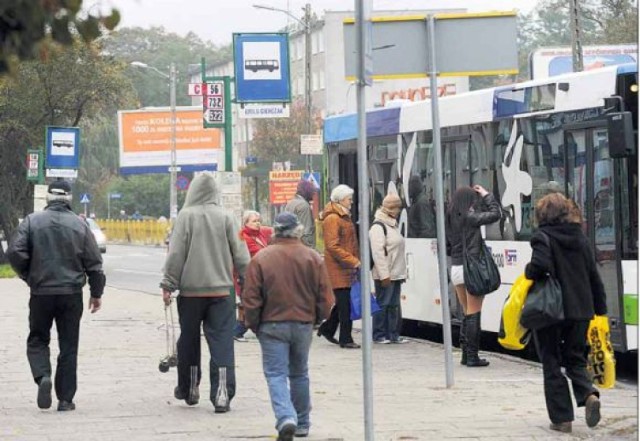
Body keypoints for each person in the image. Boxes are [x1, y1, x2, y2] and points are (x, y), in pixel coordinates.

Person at [7, 180, 105, 412]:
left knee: (38, 338)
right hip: (71, 294)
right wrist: (96, 293)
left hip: (41, 292)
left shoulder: (32, 221)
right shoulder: (80, 226)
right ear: (70, 199)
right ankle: (65, 399)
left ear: (48, 198)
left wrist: (29, 275)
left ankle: (43, 377)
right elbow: (94, 263)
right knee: (69, 345)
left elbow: (15, 251)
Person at [160, 172, 250, 413]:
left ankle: (190, 388)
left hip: (190, 294)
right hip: (222, 293)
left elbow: (176, 254)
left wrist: (168, 284)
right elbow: (241, 254)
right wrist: (247, 281)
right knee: (222, 342)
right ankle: (222, 395)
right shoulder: (228, 218)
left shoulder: (185, 217)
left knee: (189, 340)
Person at [243, 212, 331, 440]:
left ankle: (285, 417)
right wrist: (318, 318)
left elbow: (251, 298)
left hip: (271, 325)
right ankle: (302, 423)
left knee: (275, 374)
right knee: (300, 373)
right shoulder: (313, 257)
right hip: (303, 324)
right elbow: (326, 297)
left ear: (275, 231)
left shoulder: (261, 259)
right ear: (298, 230)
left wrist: (253, 324)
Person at [525, 192, 607, 433]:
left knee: (551, 362)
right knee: (575, 359)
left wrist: (529, 271)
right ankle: (589, 394)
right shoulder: (580, 237)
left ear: (542, 215)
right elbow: (594, 276)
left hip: (551, 311)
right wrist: (599, 310)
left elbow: (539, 266)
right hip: (581, 310)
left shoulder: (542, 237)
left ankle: (562, 419)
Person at [446, 184, 501, 367]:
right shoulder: (469, 217)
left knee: (466, 312)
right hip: (471, 269)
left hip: (456, 269)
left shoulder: (450, 218)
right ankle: (472, 356)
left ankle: (464, 354)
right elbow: (495, 214)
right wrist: (487, 195)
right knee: (474, 312)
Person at [316, 184, 361, 349]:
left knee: (344, 302)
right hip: (338, 267)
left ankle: (327, 329)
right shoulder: (333, 218)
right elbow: (332, 246)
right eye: (349, 199)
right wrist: (352, 260)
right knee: (345, 305)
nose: (351, 202)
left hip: (344, 266)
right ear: (341, 200)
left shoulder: (342, 216)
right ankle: (345, 338)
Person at [370, 193, 409, 344]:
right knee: (383, 304)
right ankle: (379, 335)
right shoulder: (378, 227)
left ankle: (393, 334)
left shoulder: (392, 224)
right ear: (391, 208)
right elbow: (378, 253)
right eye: (397, 208)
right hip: (385, 274)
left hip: (396, 273)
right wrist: (384, 275)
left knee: (394, 305)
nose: (399, 211)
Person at [234, 210, 273, 342]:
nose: (258, 224)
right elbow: (258, 252)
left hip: (259, 276)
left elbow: (270, 230)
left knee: (256, 304)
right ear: (246, 223)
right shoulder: (243, 236)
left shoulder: (259, 234)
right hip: (247, 277)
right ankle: (240, 330)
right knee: (252, 305)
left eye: (258, 221)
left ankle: (251, 329)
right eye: (254, 221)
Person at [284, 179, 317, 248]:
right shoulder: (303, 205)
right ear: (307, 192)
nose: (313, 195)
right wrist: (310, 250)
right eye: (312, 192)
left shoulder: (290, 203)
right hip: (302, 247)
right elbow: (306, 231)